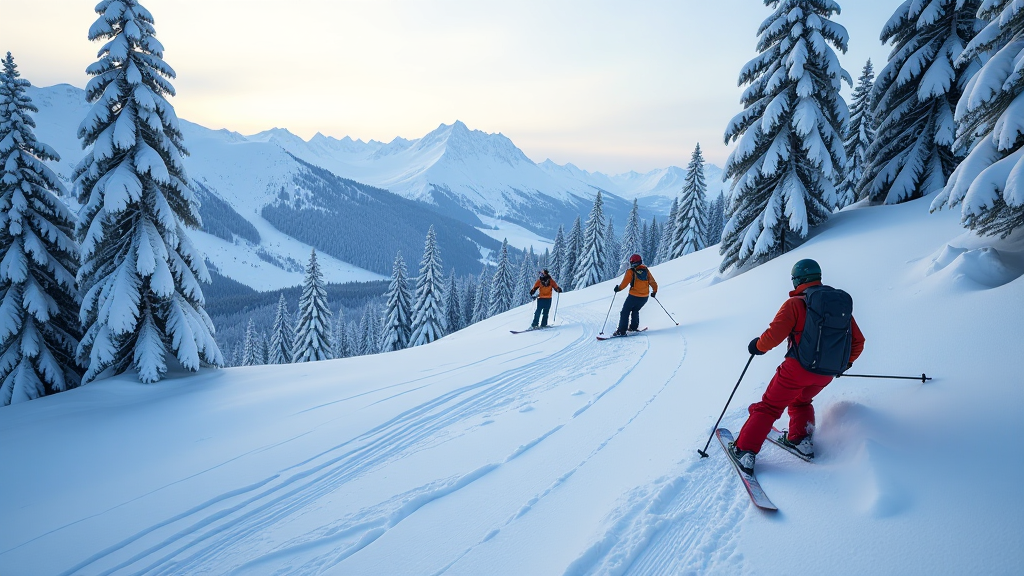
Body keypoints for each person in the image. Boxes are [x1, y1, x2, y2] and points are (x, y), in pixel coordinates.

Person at [729, 259, 865, 475]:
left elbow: (774, 335)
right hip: (825, 374)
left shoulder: (795, 304)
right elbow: (858, 341)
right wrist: (843, 364)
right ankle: (800, 439)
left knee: (769, 407)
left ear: (797, 280)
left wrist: (757, 346)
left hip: (797, 369)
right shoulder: (835, 307)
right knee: (801, 400)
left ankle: (744, 450)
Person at [611, 254, 658, 337]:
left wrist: (618, 289)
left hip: (633, 296)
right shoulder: (645, 270)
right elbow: (653, 282)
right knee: (635, 310)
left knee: (625, 311)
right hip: (644, 297)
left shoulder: (631, 271)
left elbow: (624, 284)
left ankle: (621, 330)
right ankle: (633, 327)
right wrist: (654, 291)